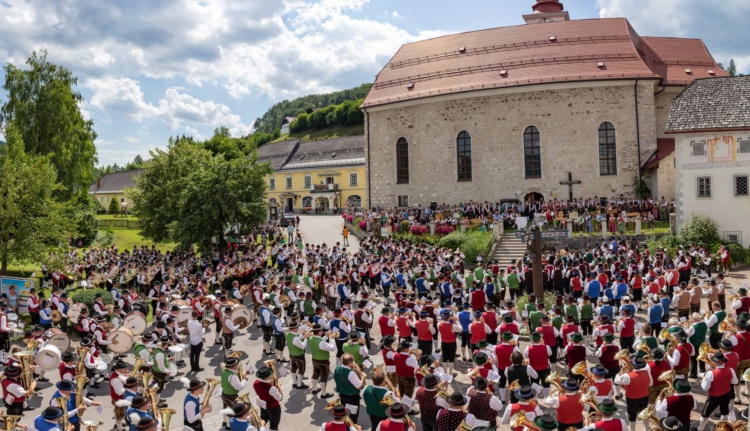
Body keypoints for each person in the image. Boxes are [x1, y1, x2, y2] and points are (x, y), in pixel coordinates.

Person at [698, 351, 738, 430]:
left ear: (714, 362)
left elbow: (705, 388)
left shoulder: (710, 373)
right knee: (724, 411)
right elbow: (735, 382)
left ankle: (700, 429)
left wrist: (703, 379)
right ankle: (722, 428)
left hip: (713, 397)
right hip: (726, 394)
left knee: (705, 414)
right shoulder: (731, 370)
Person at [614, 355, 652, 431]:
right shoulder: (647, 372)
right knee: (645, 413)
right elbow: (651, 383)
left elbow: (616, 381)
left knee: (632, 415)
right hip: (645, 396)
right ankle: (647, 429)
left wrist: (618, 373)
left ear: (632, 365)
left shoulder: (627, 376)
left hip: (632, 398)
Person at [221, 356, 251, 430]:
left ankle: (226, 423)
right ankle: (229, 426)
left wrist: (244, 373)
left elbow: (235, 373)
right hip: (231, 395)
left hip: (224, 393)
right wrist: (244, 380)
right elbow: (239, 387)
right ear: (233, 366)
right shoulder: (233, 376)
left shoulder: (224, 370)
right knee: (233, 411)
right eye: (236, 365)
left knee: (226, 408)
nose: (237, 365)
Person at [334, 353, 364, 424]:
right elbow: (359, 386)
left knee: (345, 414)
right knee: (353, 416)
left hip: (342, 394)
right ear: (350, 363)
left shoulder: (336, 368)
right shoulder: (351, 373)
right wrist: (363, 377)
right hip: (352, 397)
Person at [309, 323, 336, 398]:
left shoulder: (311, 338)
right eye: (321, 330)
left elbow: (320, 342)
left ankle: (314, 389)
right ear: (319, 331)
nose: (322, 331)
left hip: (314, 359)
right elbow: (332, 348)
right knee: (324, 377)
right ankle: (323, 394)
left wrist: (326, 336)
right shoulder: (321, 342)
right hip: (323, 361)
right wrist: (333, 339)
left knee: (315, 374)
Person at [252, 366, 283, 431]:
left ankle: (262, 429)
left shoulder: (255, 382)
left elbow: (260, 391)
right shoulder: (271, 388)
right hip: (273, 408)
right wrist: (279, 386)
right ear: (267, 377)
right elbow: (280, 398)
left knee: (263, 418)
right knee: (273, 424)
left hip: (263, 405)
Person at [150, 336, 172, 408]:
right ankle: (157, 403)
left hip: (156, 371)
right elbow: (161, 367)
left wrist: (168, 359)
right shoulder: (160, 354)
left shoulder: (157, 349)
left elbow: (160, 360)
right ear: (165, 345)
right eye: (167, 344)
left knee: (158, 387)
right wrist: (167, 371)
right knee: (159, 388)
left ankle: (158, 398)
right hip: (159, 373)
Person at [110, 361, 129, 431]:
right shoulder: (116, 380)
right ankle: (119, 428)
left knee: (120, 413)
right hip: (118, 399)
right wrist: (128, 386)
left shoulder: (121, 374)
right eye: (125, 368)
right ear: (119, 369)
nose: (127, 369)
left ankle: (118, 423)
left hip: (121, 398)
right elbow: (120, 392)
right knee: (119, 414)